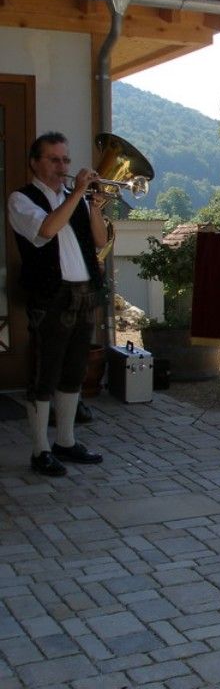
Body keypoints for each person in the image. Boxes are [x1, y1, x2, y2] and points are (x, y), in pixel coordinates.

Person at [8, 132, 108, 476]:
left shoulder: (75, 198)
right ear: (35, 162)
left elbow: (99, 240)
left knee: (74, 370)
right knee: (44, 373)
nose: (62, 166)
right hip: (50, 295)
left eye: (65, 159)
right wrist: (79, 192)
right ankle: (40, 449)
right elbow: (48, 230)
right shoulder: (21, 199)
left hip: (84, 292)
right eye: (54, 159)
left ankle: (66, 441)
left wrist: (93, 206)